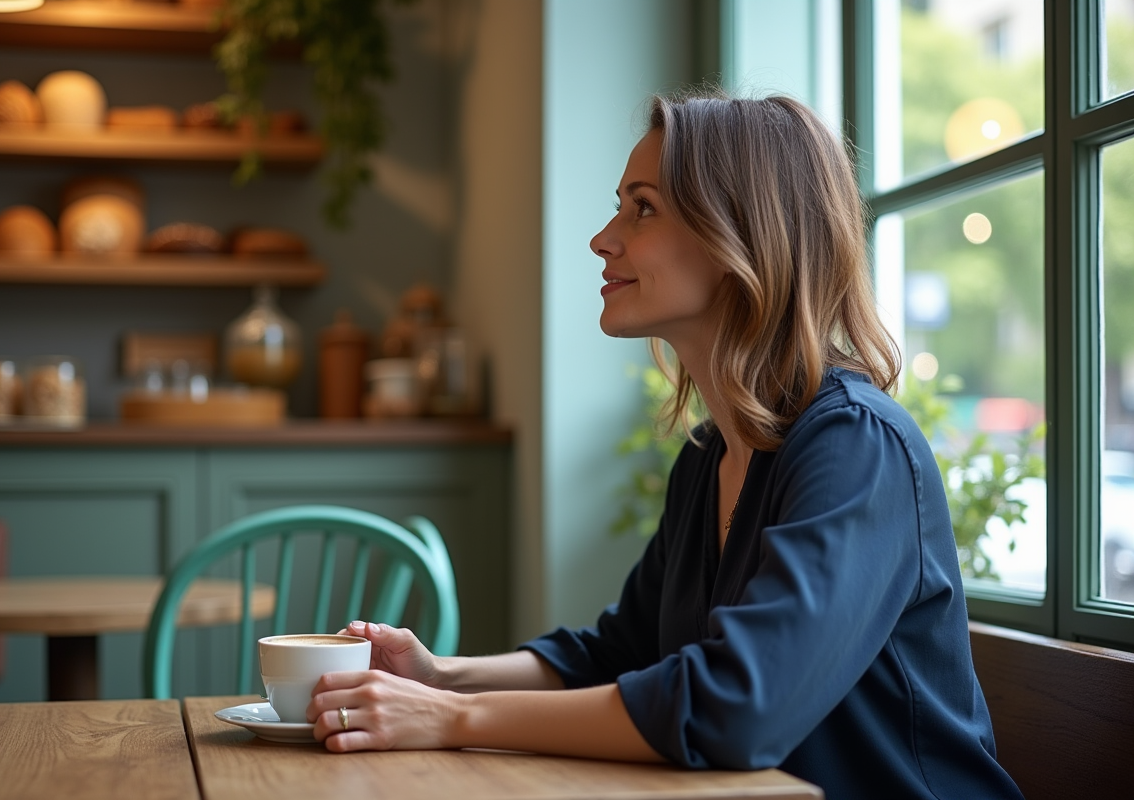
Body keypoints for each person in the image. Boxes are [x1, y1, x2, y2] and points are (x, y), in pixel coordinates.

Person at [307, 92, 1026, 800]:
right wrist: (440, 676)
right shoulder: (709, 457)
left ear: (738, 235)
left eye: (642, 207)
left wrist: (451, 718)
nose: (603, 238)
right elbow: (621, 652)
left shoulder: (856, 447)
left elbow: (738, 708)